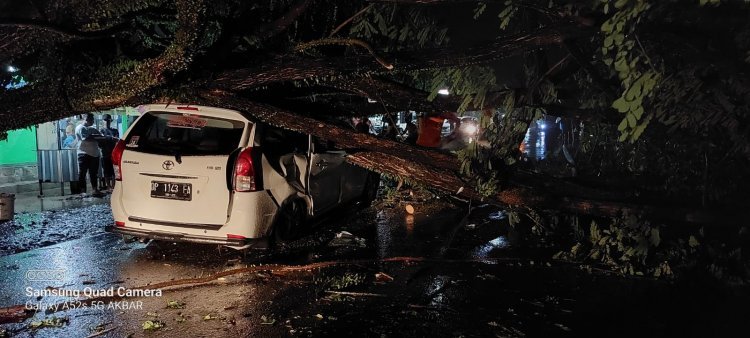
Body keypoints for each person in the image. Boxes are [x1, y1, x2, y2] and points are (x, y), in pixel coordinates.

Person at [75, 113, 103, 196]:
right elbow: (86, 138)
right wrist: (96, 137)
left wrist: (98, 137)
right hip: (83, 154)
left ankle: (95, 189)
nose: (93, 121)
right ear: (86, 119)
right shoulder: (80, 128)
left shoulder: (92, 129)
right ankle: (83, 191)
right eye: (92, 119)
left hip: (94, 154)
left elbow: (100, 136)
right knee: (82, 173)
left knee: (93, 173)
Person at [99, 114, 119, 190]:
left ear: (110, 121)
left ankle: (113, 186)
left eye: (108, 121)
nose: (107, 122)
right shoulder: (101, 131)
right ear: (103, 121)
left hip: (113, 153)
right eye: (105, 121)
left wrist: (106, 138)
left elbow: (116, 139)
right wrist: (111, 138)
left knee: (114, 171)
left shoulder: (114, 130)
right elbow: (100, 141)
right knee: (106, 171)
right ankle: (108, 186)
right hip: (105, 154)